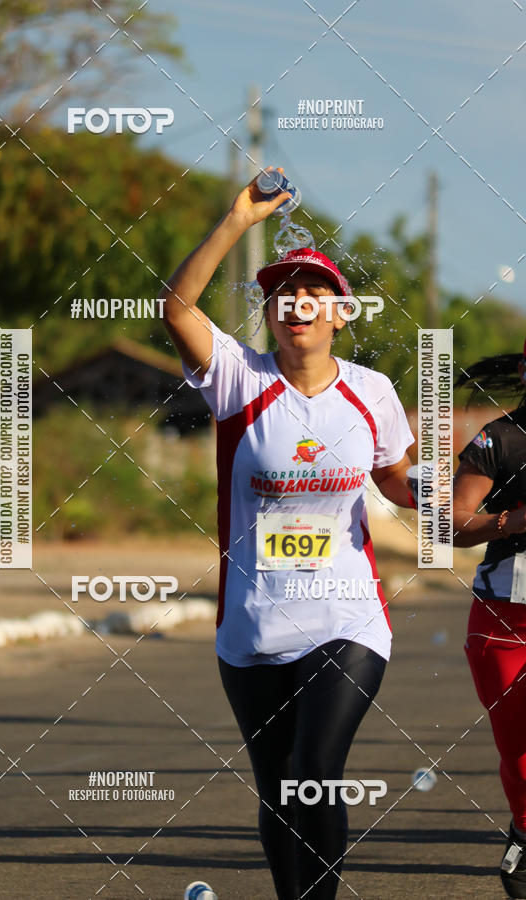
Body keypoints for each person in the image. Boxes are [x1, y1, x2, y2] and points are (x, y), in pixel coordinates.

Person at [160, 168, 415, 899]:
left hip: (347, 612)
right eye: (281, 293)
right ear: (270, 311)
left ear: (340, 311)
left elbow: (397, 480)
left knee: (313, 771)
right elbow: (175, 306)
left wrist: (445, 495)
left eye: (313, 292)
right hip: (252, 621)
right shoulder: (239, 378)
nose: (296, 302)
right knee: (276, 788)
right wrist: (238, 218)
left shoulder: (372, 392)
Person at [453, 344, 526, 899]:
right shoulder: (498, 439)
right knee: (521, 753)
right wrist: (513, 520)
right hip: (505, 618)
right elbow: (452, 525)